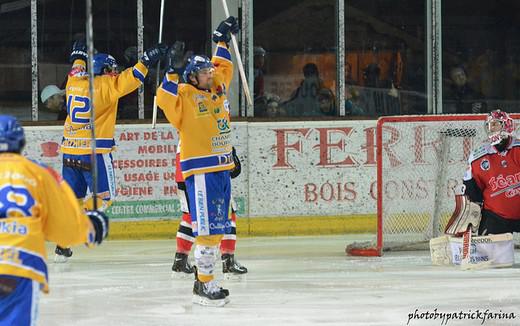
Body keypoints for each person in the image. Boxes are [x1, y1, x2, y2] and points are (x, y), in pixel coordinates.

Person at [56, 40, 167, 261]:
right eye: (112, 70)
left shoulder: (73, 80)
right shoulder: (107, 87)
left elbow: (77, 65)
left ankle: (62, 244)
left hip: (70, 152)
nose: (115, 73)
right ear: (105, 71)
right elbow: (133, 77)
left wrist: (77, 54)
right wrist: (146, 60)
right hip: (94, 153)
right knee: (105, 197)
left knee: (72, 198)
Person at [157, 16, 239, 307]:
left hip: (221, 169)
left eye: (208, 71)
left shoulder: (216, 89)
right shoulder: (185, 97)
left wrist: (221, 39)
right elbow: (163, 100)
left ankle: (203, 280)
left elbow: (224, 67)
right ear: (192, 77)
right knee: (205, 230)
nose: (210, 74)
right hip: (201, 173)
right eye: (203, 72)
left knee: (218, 228)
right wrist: (171, 71)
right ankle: (204, 284)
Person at [0, 115, 108, 325]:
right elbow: (65, 226)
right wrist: (91, 228)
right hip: (19, 263)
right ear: (20, 143)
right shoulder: (38, 172)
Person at [172, 146, 248, 278]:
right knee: (226, 211)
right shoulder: (207, 129)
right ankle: (228, 261)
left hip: (184, 172)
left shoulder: (186, 131)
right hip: (205, 173)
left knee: (190, 215)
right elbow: (232, 169)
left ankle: (180, 261)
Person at [462, 109, 520, 235]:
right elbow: (472, 192)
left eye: (495, 124)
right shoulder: (477, 158)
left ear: (507, 125)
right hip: (496, 217)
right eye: (489, 125)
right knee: (489, 252)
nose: (491, 128)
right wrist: (469, 215)